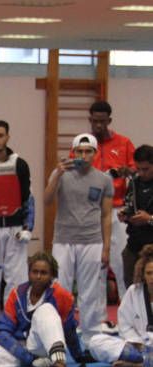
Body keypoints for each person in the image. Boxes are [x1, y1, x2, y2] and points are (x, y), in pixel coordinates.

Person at [44, 133, 113, 341]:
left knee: (90, 291)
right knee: (60, 289)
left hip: (92, 240)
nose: (84, 155)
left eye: (88, 151)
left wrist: (106, 247)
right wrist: (56, 174)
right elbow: (47, 200)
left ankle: (91, 336)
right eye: (80, 151)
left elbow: (107, 215)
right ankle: (59, 334)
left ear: (95, 153)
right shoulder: (61, 174)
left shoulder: (103, 179)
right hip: (63, 239)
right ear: (73, 152)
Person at [0, 120, 33, 324]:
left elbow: (29, 198)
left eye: (0, 135)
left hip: (15, 229)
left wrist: (28, 227)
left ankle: (13, 322)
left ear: (7, 137)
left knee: (16, 279)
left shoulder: (20, 164)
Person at [89, 100, 136, 299]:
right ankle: (96, 318)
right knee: (95, 263)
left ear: (109, 120)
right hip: (92, 210)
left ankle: (127, 312)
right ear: (90, 120)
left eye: (102, 121)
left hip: (118, 210)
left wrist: (126, 171)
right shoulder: (84, 144)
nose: (98, 125)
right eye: (94, 121)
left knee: (120, 261)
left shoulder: (124, 143)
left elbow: (137, 171)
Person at [86, 244, 153, 367]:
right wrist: (138, 344)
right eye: (149, 273)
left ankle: (137, 365)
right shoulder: (134, 291)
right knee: (96, 342)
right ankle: (143, 361)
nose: (152, 278)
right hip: (139, 348)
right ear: (143, 274)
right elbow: (124, 324)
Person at [120, 144, 153, 290]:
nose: (141, 173)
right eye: (138, 169)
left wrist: (149, 218)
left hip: (152, 243)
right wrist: (125, 214)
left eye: (145, 169)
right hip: (134, 244)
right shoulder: (134, 183)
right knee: (132, 289)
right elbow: (129, 204)